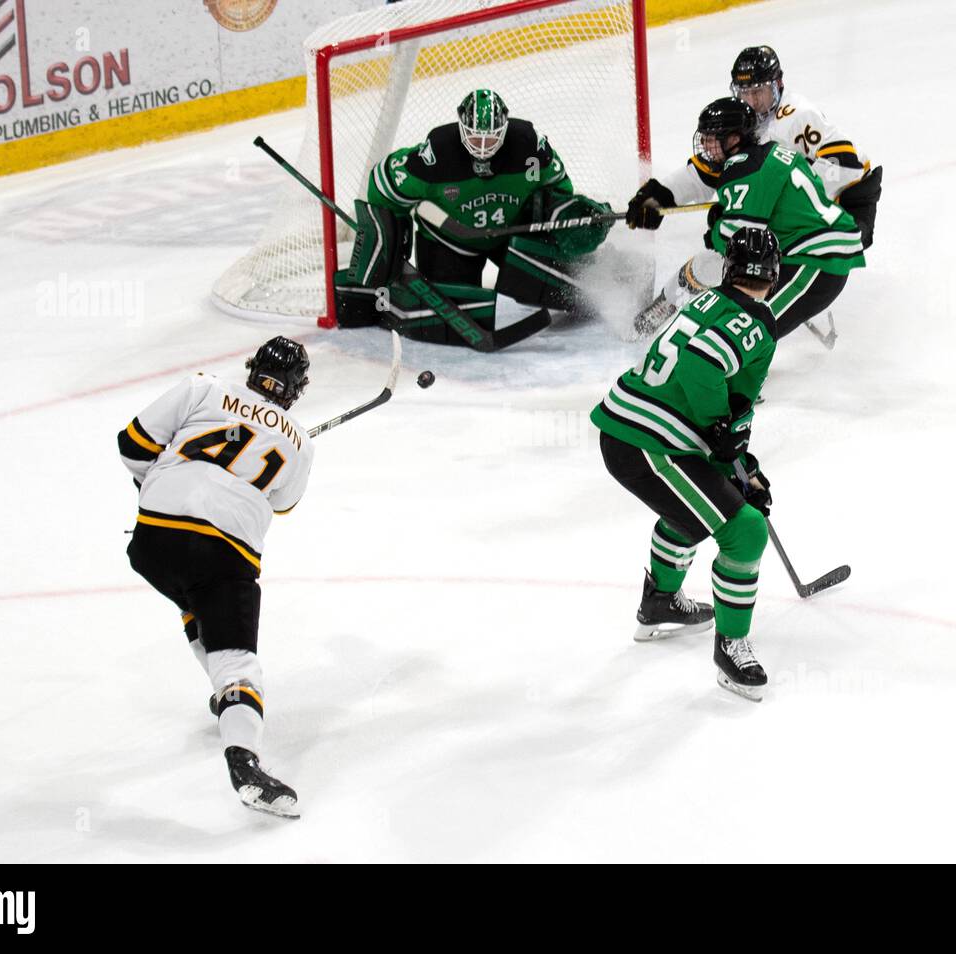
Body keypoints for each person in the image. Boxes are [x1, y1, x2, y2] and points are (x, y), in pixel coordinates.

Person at [117, 336, 315, 816]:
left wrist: (163, 484)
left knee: (194, 600)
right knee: (237, 661)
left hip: (153, 543)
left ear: (252, 370)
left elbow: (132, 444)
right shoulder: (300, 443)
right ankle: (244, 762)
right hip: (223, 554)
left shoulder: (203, 389)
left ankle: (227, 699)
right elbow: (280, 503)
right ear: (294, 389)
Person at [591, 227, 782, 701]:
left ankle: (659, 604)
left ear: (729, 268)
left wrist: (740, 463)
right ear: (775, 276)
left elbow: (723, 411)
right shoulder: (757, 322)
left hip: (628, 429)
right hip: (651, 440)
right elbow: (704, 367)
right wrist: (727, 439)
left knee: (694, 513)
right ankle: (730, 648)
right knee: (745, 530)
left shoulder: (705, 301)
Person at [334, 88, 614, 343]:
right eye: (475, 136)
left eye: (490, 137)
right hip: (449, 243)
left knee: (575, 291)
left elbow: (559, 189)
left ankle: (611, 276)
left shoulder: (529, 147)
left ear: (504, 130)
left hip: (510, 236)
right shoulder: (437, 154)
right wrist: (392, 233)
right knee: (444, 322)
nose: (482, 145)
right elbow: (383, 182)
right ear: (461, 127)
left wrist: (564, 215)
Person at [627, 97, 865, 341]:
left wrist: (717, 226)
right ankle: (663, 309)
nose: (705, 146)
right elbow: (698, 178)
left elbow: (739, 241)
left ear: (733, 139)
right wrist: (658, 195)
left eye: (711, 139)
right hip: (801, 248)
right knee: (706, 265)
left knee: (741, 335)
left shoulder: (745, 166)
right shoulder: (763, 152)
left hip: (817, 260)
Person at [728, 45, 882, 248]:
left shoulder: (797, 115)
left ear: (778, 83)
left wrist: (790, 202)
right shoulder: (749, 117)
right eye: (744, 92)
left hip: (851, 196)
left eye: (759, 92)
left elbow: (845, 163)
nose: (751, 101)